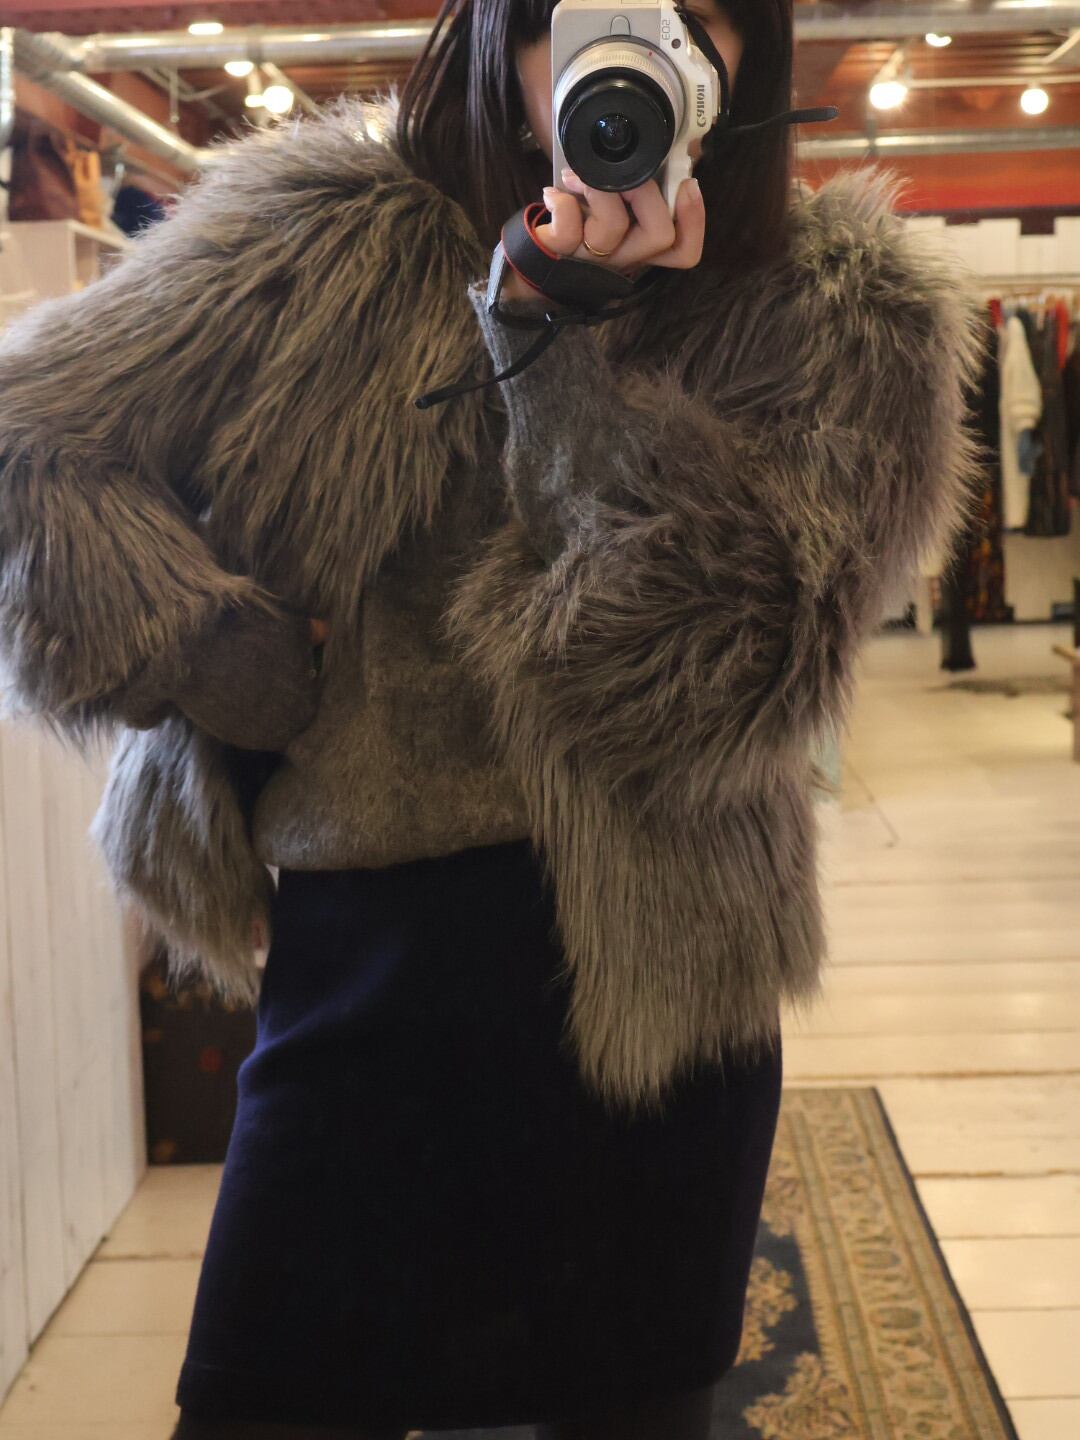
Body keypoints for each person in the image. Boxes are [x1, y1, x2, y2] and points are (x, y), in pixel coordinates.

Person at [0, 0, 983, 1435]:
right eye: (589, 11)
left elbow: (707, 676)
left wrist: (551, 349)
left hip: (661, 1012)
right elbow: (32, 435)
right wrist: (216, 652)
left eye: (692, 14)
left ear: (748, 52)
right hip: (367, 980)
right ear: (506, 31)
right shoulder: (323, 240)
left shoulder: (836, 311)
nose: (633, 52)